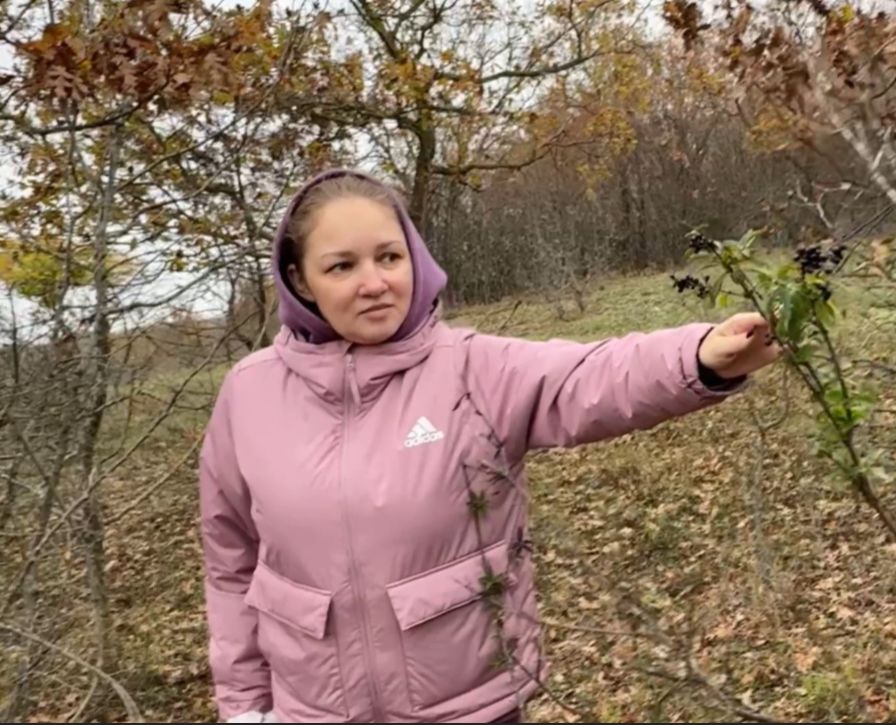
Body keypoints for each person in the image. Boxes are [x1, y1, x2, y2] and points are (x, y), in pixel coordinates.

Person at [198, 168, 780, 724]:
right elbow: (230, 562)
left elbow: (587, 375)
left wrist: (699, 356)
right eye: (342, 266)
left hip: (471, 705)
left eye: (389, 257)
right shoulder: (249, 394)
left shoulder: (472, 370)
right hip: (311, 710)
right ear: (301, 280)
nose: (374, 283)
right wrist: (247, 705)